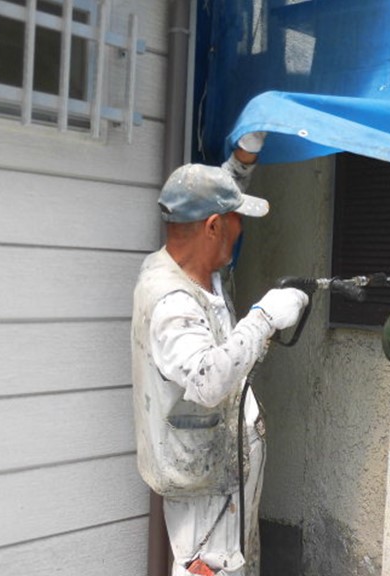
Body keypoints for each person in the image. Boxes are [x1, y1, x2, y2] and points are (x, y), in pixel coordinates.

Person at [131, 132, 308, 576]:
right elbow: (208, 380)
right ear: (212, 227)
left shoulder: (194, 266)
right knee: (214, 569)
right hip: (203, 490)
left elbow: (221, 188)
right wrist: (265, 317)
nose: (241, 230)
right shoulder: (173, 303)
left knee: (236, 566)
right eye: (235, 221)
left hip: (222, 471)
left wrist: (244, 156)